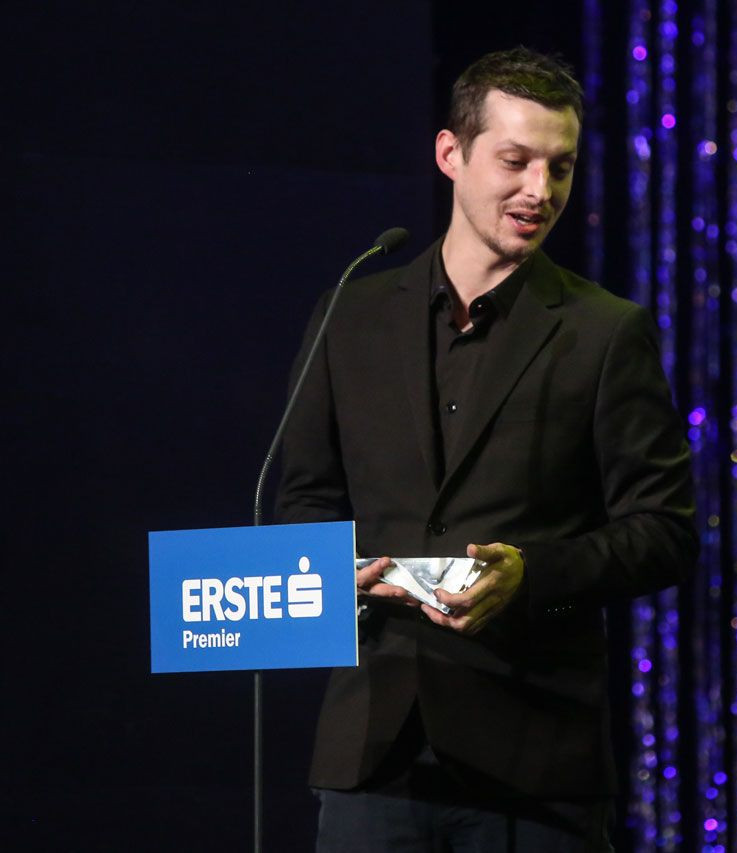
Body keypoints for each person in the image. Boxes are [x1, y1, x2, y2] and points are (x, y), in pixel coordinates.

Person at [276, 47, 697, 852]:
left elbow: (665, 533)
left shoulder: (605, 332)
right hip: (373, 753)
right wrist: (334, 574)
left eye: (560, 167)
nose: (541, 190)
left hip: (534, 765)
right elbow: (301, 498)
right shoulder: (349, 314)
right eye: (515, 161)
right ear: (450, 153)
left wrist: (530, 575)